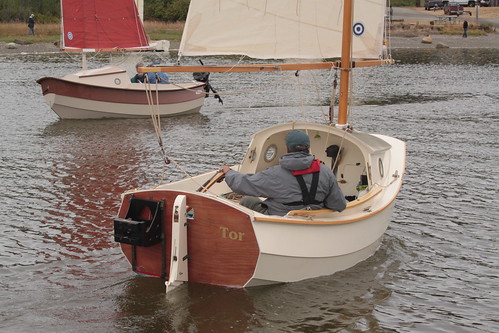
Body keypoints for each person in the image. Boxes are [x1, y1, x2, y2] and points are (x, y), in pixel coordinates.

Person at [221, 130, 347, 216]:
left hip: (280, 220)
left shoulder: (273, 174)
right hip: (314, 218)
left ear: (287, 148)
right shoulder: (325, 171)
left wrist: (229, 173)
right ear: (308, 148)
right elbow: (339, 205)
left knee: (247, 200)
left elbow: (241, 184)